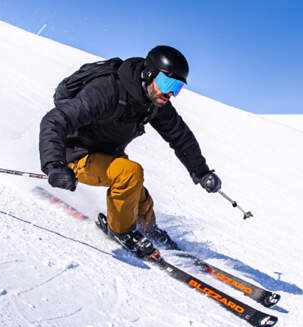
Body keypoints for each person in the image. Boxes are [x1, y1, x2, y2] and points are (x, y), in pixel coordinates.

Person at [39, 45, 221, 254]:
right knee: (130, 173)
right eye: (167, 82)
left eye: (177, 87)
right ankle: (122, 231)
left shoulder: (153, 101)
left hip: (106, 154)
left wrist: (202, 171)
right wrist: (54, 165)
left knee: (139, 196)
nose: (171, 92)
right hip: (75, 155)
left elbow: (180, 136)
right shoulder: (107, 90)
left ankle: (148, 229)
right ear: (149, 74)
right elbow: (54, 120)